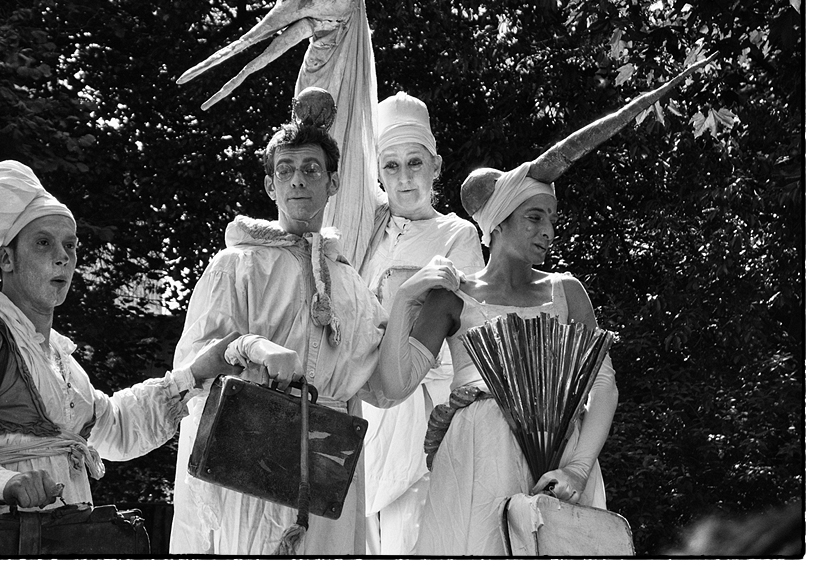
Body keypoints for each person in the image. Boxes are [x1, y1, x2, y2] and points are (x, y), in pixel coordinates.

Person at [0, 160, 257, 556]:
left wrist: (198, 372)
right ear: (6, 259)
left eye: (71, 244)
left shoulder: (62, 363)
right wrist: (2, 483)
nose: (63, 257)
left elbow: (114, 426)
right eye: (43, 242)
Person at [167, 111, 458, 556]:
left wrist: (408, 302)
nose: (298, 181)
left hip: (327, 470)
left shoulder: (350, 285)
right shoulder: (236, 266)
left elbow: (385, 387)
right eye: (286, 171)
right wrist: (255, 353)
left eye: (310, 169)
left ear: (333, 183)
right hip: (250, 466)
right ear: (271, 187)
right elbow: (195, 366)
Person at [377, 161, 619, 555]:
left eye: (553, 220)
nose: (548, 231)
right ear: (498, 223)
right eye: (534, 217)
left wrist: (578, 467)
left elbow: (604, 387)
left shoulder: (567, 292)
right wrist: (406, 296)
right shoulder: (453, 295)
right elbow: (394, 386)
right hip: (477, 459)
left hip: (560, 459)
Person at [357, 92, 484, 555]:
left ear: (437, 165)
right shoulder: (367, 232)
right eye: (391, 166)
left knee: (413, 541)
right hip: (364, 412)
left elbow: (467, 334)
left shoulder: (458, 235)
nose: (405, 177)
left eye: (415, 163)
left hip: (424, 413)